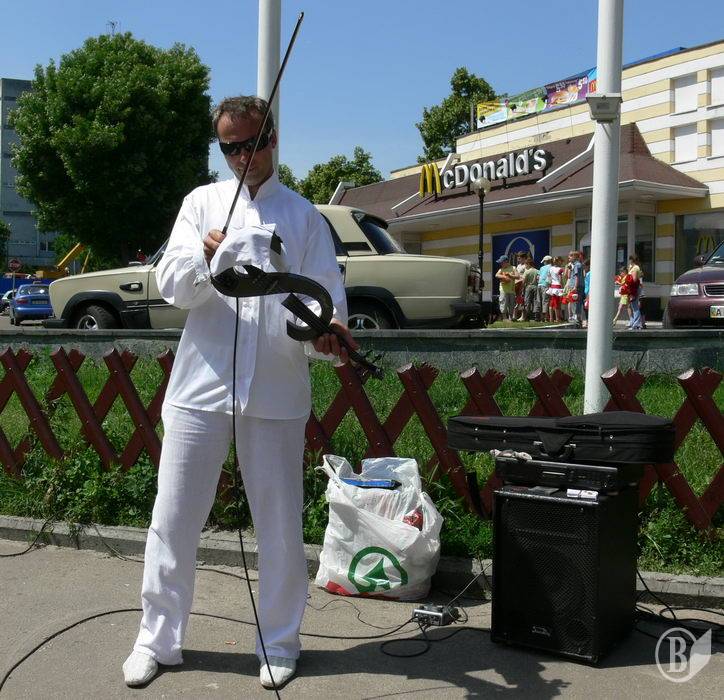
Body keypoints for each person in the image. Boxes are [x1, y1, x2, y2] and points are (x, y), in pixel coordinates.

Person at [122, 95, 355, 690]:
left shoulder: (304, 217)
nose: (242, 156)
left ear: (272, 138)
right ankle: (157, 639)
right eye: (229, 147)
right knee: (173, 518)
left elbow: (323, 302)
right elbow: (172, 286)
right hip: (199, 387)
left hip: (275, 391)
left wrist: (324, 334)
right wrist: (207, 259)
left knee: (279, 524)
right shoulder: (199, 204)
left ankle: (278, 642)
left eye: (251, 143)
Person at [495, 255, 518, 320]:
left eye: (501, 262)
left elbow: (518, 276)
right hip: (503, 290)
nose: (500, 264)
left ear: (506, 262)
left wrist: (510, 275)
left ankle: (510, 317)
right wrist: (504, 277)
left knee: (511, 304)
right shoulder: (501, 269)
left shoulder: (513, 268)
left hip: (512, 290)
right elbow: (496, 275)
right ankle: (504, 318)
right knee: (503, 304)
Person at [546, 256, 566, 323]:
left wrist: (549, 286)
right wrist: (563, 287)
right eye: (561, 261)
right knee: (557, 303)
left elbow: (549, 278)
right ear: (558, 261)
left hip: (552, 286)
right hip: (558, 286)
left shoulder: (550, 268)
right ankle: (557, 318)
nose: (562, 263)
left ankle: (551, 318)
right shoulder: (560, 269)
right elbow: (560, 280)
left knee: (551, 303)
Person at [627, 254, 644, 329]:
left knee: (635, 307)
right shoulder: (633, 267)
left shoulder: (635, 268)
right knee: (634, 306)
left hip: (634, 289)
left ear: (632, 260)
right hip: (633, 288)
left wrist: (627, 280)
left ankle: (636, 324)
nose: (629, 261)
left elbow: (634, 280)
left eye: (630, 259)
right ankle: (637, 323)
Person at [535, 254, 552, 322]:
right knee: (545, 301)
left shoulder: (541, 268)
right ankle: (545, 317)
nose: (544, 262)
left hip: (539, 284)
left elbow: (537, 277)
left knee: (539, 301)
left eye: (544, 261)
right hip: (546, 285)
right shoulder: (551, 267)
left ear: (546, 261)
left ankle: (538, 317)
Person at [521, 255, 539, 321]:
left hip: (528, 287)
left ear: (528, 264)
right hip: (536, 287)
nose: (525, 266)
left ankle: (527, 316)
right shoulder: (537, 271)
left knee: (527, 301)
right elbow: (538, 280)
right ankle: (536, 316)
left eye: (526, 264)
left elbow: (523, 281)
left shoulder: (527, 272)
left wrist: (522, 289)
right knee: (535, 301)